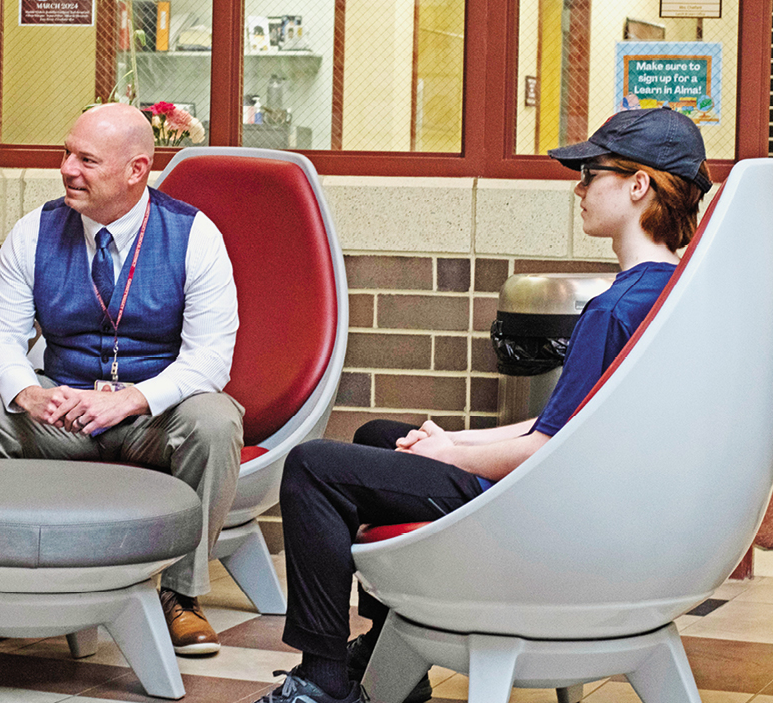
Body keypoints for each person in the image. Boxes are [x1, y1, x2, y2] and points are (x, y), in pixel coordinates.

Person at [255, 107, 712, 703]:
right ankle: (385, 654)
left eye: (590, 173)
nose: (578, 188)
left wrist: (455, 455)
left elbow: (548, 450)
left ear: (637, 184)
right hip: (602, 508)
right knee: (377, 435)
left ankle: (321, 680)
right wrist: (455, 441)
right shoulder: (671, 296)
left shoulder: (612, 308)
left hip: (541, 512)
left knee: (314, 466)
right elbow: (572, 423)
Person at [0, 102, 243, 656]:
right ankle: (3, 580)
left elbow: (210, 359)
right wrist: (28, 393)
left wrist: (134, 400)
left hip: (150, 419)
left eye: (86, 159)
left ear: (136, 170)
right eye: (66, 153)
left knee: (215, 419)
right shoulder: (33, 231)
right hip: (61, 413)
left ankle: (182, 594)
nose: (67, 169)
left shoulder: (194, 235)